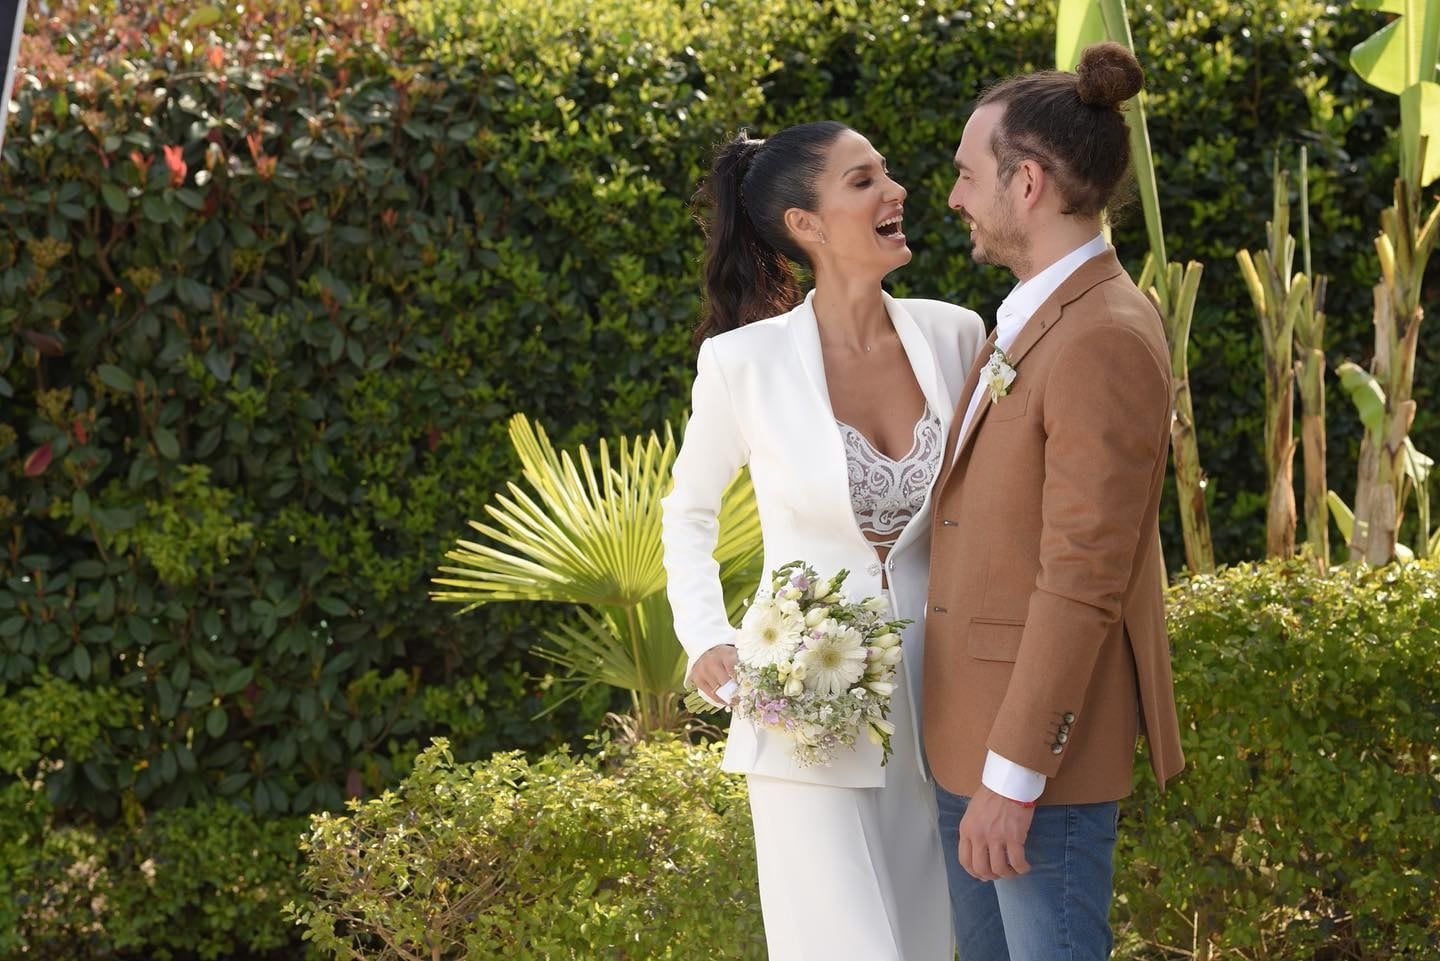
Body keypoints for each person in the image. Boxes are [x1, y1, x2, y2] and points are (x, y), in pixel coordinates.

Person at [661, 121, 986, 960]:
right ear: (805, 224)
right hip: (803, 701)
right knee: (839, 943)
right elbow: (688, 511)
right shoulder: (742, 363)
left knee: (927, 940)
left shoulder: (955, 335)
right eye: (863, 180)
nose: (896, 191)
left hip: (940, 699)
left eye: (887, 172)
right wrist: (705, 634)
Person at [922, 41, 1187, 961]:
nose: (953, 196)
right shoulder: (1038, 313)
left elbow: (1084, 574)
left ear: (1026, 183)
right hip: (972, 737)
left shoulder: (1102, 334)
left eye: (967, 174)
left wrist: (1014, 774)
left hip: (1035, 767)